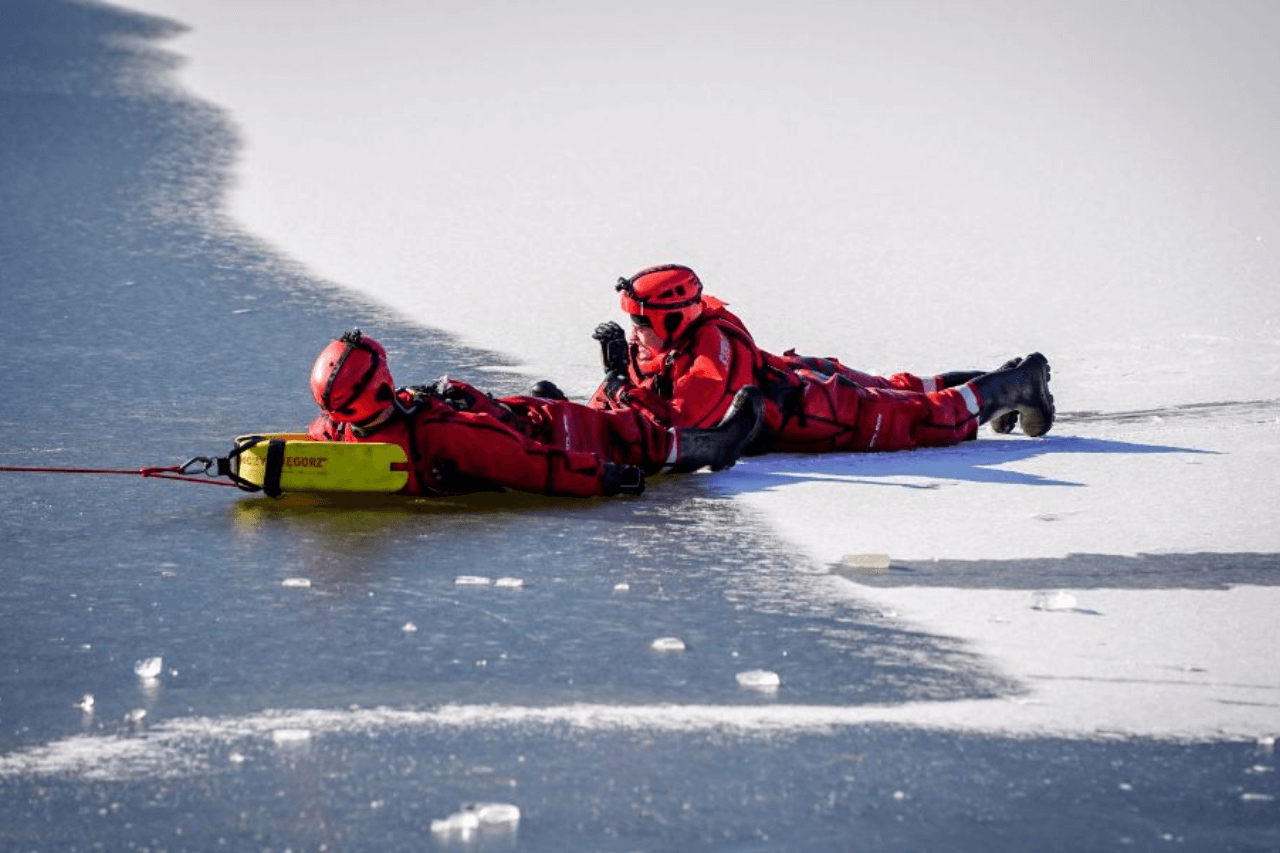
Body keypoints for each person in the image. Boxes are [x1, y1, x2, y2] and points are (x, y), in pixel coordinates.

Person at [579, 263, 1054, 455]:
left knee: (931, 419)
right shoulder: (665, 342)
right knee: (903, 387)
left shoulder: (711, 345)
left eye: (643, 322)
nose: (634, 331)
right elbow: (639, 399)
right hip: (801, 377)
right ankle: (1004, 380)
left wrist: (618, 383)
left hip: (819, 411)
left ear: (677, 318)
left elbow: (690, 419)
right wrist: (616, 383)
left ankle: (1020, 386)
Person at [305, 330, 764, 498]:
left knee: (545, 402)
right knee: (623, 432)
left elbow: (324, 429)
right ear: (380, 383)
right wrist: (605, 478)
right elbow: (526, 464)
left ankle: (555, 399)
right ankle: (715, 446)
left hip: (513, 418)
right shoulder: (442, 433)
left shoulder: (348, 429)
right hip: (551, 441)